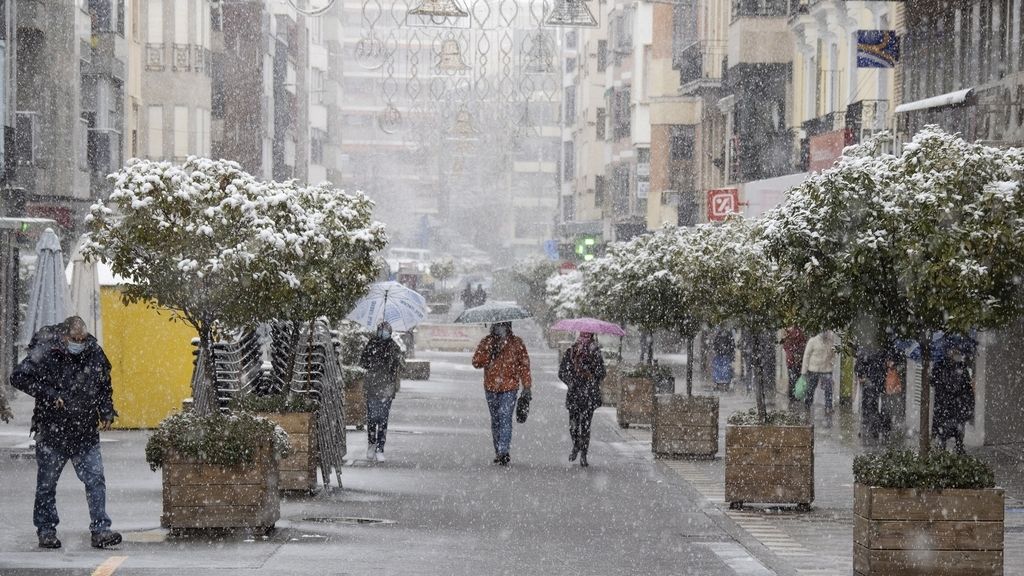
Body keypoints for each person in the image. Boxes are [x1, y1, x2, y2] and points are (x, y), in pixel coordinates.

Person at [9, 316, 121, 550]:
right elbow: (18, 377)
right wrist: (50, 395)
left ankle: (101, 530)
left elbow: (104, 385)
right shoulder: (47, 352)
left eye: (82, 339)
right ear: (64, 336)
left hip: (84, 431)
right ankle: (46, 530)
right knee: (47, 485)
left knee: (95, 480)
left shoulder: (93, 352)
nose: (78, 343)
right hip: (52, 431)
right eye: (74, 339)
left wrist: (106, 410)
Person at [471, 321, 532, 466]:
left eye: (503, 325)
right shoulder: (487, 342)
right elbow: (476, 362)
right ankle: (498, 450)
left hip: (510, 387)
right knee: (496, 420)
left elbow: (524, 366)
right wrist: (489, 353)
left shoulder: (516, 343)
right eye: (498, 325)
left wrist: (527, 386)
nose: (500, 328)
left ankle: (503, 450)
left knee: (505, 418)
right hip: (491, 387)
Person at [558, 332, 605, 467]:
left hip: (588, 395)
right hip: (575, 394)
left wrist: (591, 376)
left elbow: (602, 373)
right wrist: (571, 381)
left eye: (587, 335)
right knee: (574, 426)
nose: (585, 338)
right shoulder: (572, 351)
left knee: (584, 426)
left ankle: (583, 454)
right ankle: (576, 445)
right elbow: (562, 372)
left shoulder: (595, 352)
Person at [359, 321, 404, 462]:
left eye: (385, 330)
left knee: (383, 419)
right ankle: (371, 444)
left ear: (389, 332)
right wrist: (373, 357)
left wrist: (393, 359)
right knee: (372, 418)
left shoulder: (393, 346)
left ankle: (380, 448)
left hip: (386, 388)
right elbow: (363, 362)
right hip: (372, 386)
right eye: (381, 330)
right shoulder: (372, 344)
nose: (383, 333)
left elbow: (401, 364)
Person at [932, 344, 975, 454]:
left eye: (957, 352)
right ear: (948, 352)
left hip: (957, 406)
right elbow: (934, 382)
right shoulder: (940, 366)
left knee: (958, 431)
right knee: (943, 432)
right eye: (954, 351)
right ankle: (942, 451)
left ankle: (959, 447)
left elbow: (967, 386)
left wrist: (968, 402)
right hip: (944, 405)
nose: (956, 354)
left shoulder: (962, 367)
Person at [800, 330, 836, 427]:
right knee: (810, 390)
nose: (826, 333)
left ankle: (828, 408)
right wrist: (804, 372)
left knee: (828, 390)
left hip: (826, 369)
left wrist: (831, 363)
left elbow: (833, 354)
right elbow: (806, 356)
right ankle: (807, 406)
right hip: (814, 369)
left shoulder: (830, 341)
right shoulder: (813, 341)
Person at [781, 326, 808, 402]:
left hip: (792, 361)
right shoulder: (796, 333)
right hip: (794, 361)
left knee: (793, 378)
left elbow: (785, 346)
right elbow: (802, 345)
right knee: (795, 378)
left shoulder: (790, 334)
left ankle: (793, 396)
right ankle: (794, 396)